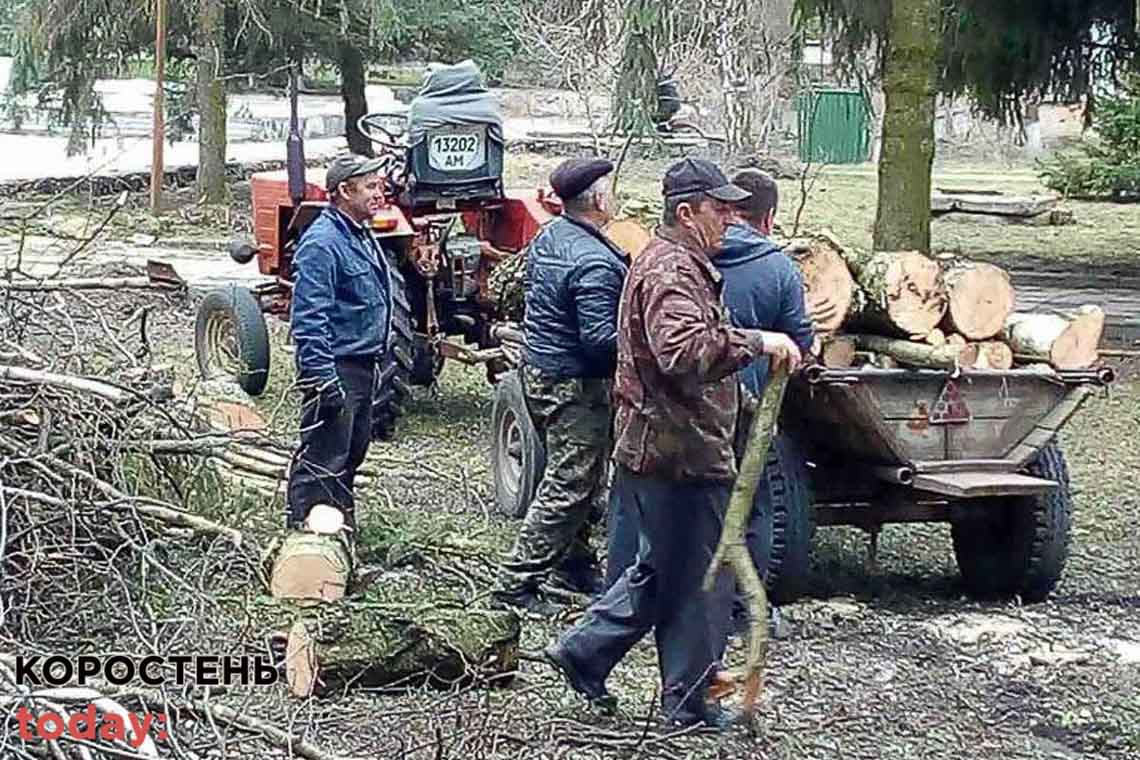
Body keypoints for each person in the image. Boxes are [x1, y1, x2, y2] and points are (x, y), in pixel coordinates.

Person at [543, 157, 802, 729]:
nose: (731, 220)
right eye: (721, 208)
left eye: (737, 208)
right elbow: (681, 352)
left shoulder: (681, 262)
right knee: (702, 581)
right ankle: (686, 703)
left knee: (664, 569)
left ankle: (584, 652)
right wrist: (756, 341)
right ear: (686, 212)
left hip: (671, 445)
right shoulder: (670, 271)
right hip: (675, 451)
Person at [492, 157, 630, 614]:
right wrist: (642, 348)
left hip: (541, 371)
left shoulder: (551, 236)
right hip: (575, 385)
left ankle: (574, 565)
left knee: (580, 478)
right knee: (570, 483)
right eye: (611, 190)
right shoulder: (594, 262)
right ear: (598, 199)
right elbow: (598, 341)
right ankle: (516, 583)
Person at [285, 153, 392, 533]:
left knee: (350, 453)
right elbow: (309, 318)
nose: (379, 193)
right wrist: (322, 378)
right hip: (338, 367)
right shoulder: (322, 244)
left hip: (364, 365)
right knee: (323, 457)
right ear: (344, 191)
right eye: (370, 187)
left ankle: (339, 525)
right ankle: (305, 532)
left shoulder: (360, 234)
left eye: (379, 185)